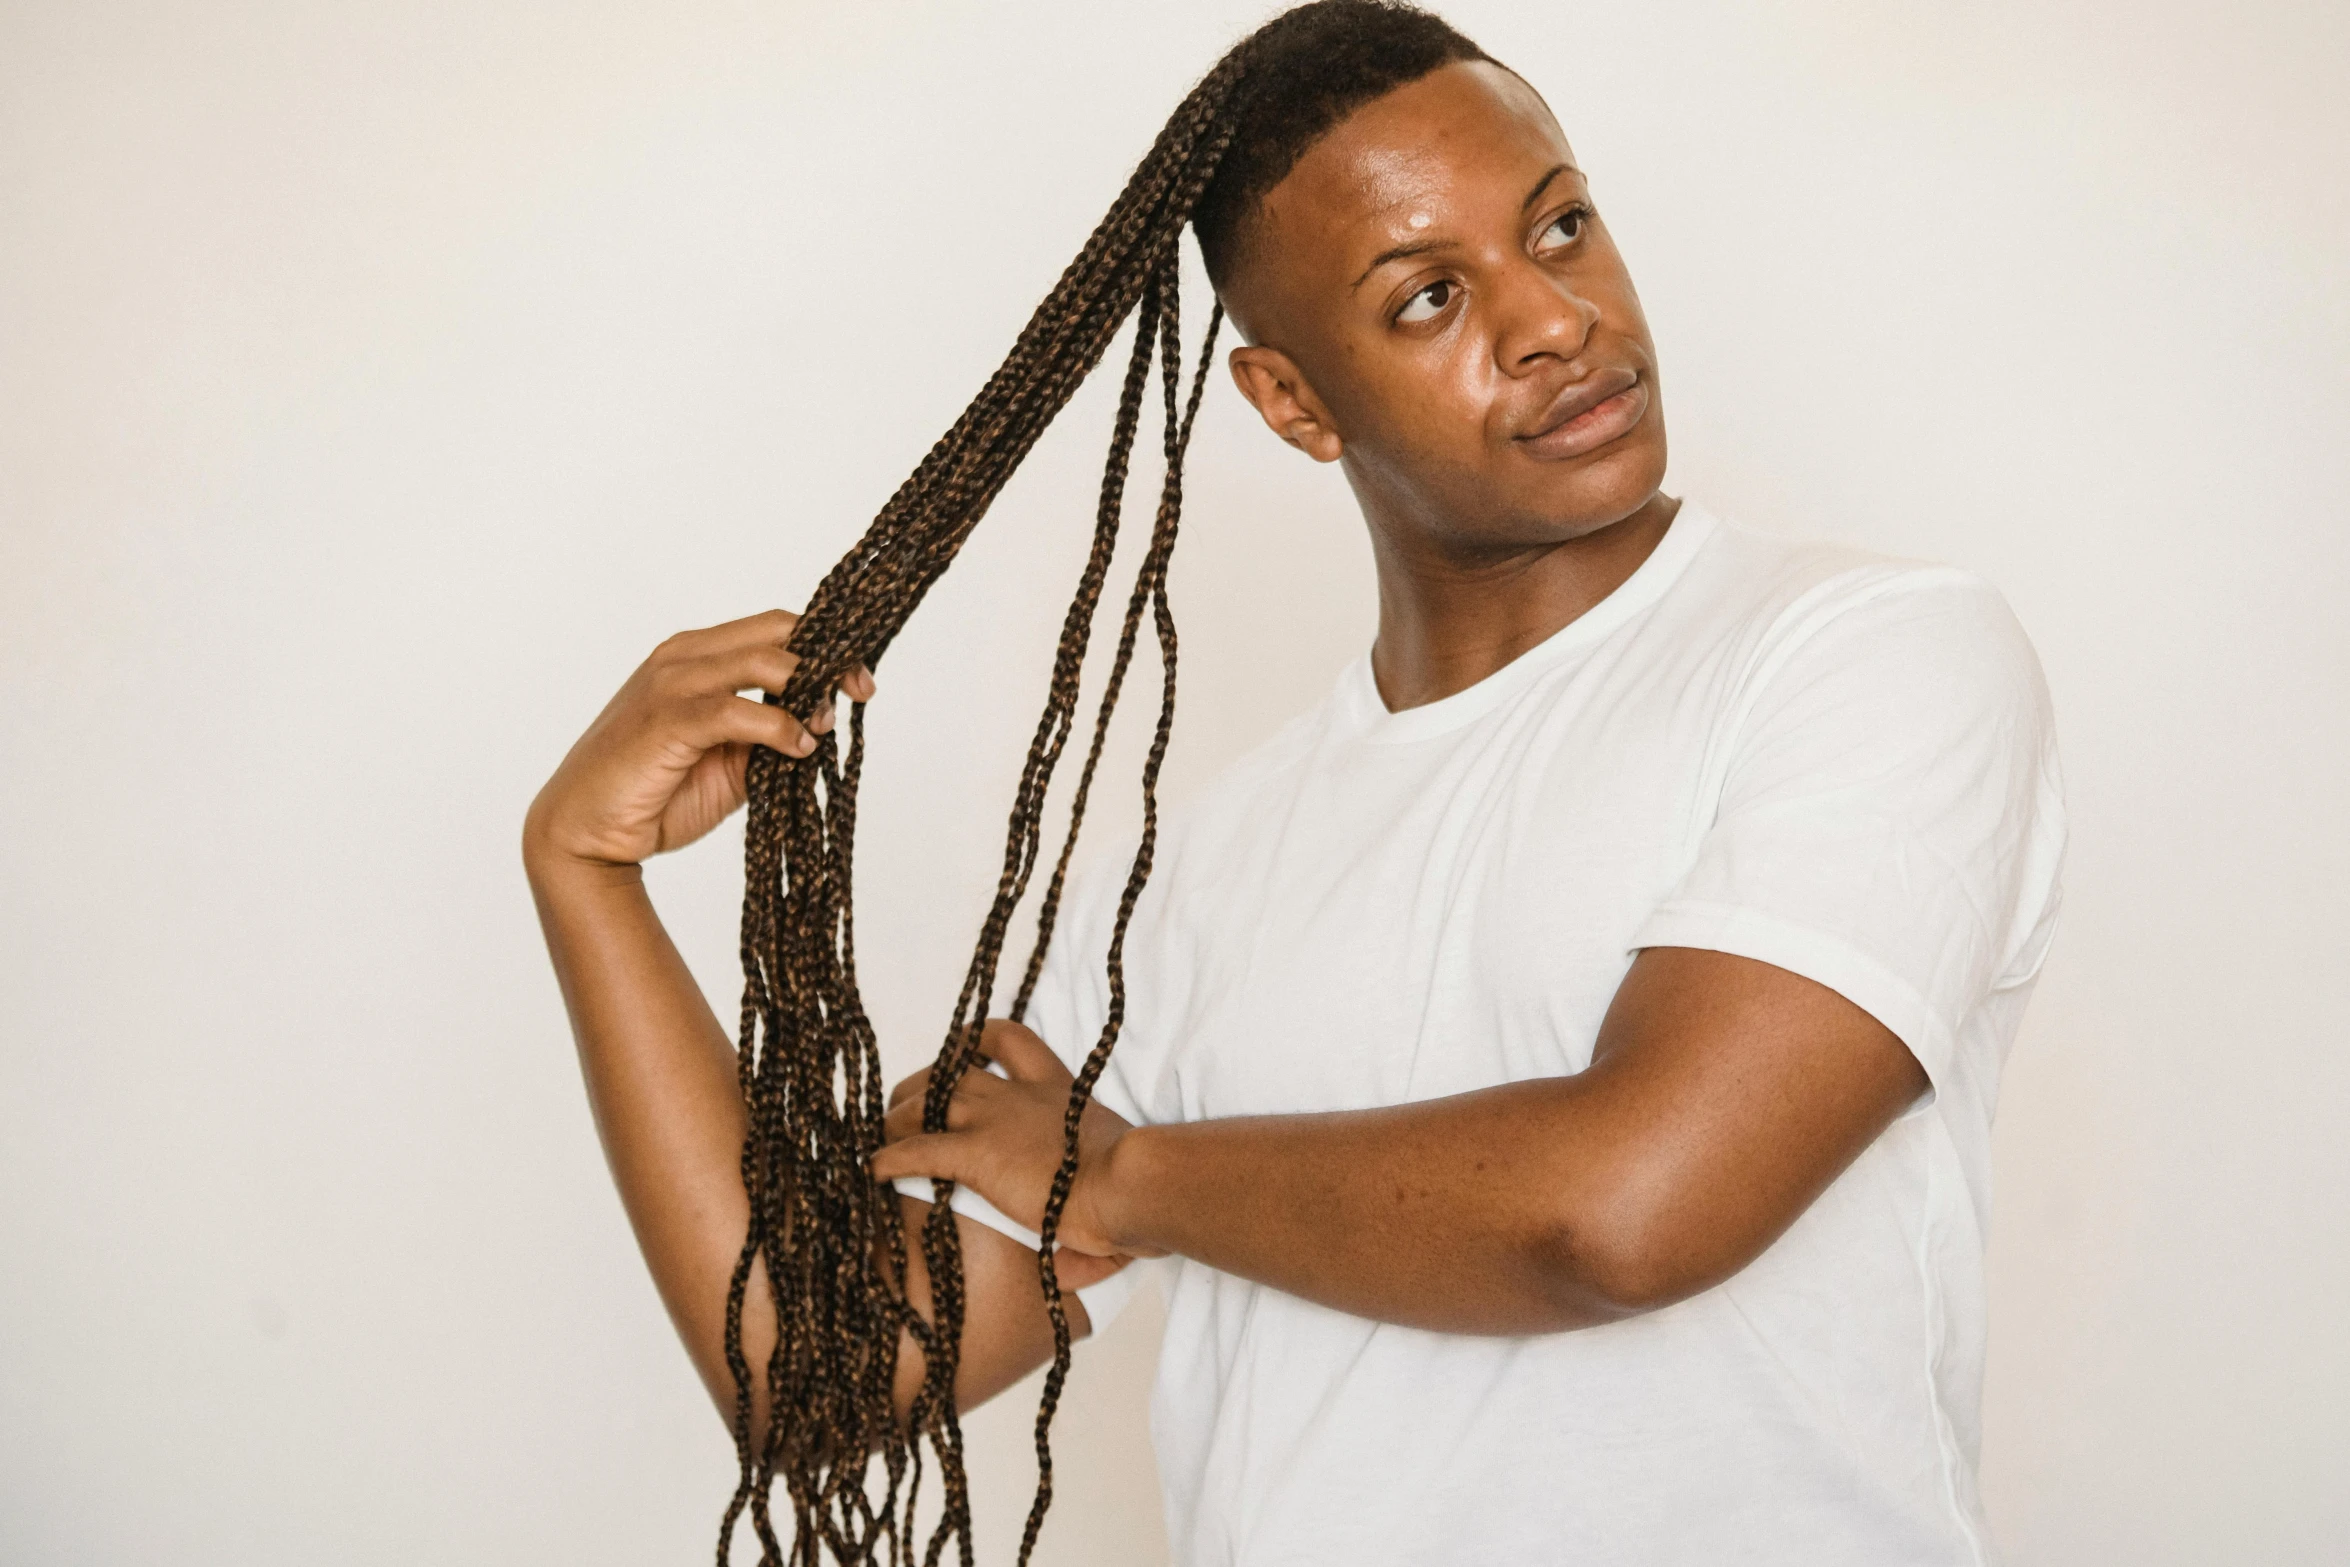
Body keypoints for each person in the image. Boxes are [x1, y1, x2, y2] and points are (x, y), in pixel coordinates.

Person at [525, 5, 2065, 1562]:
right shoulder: (1198, 877)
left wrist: (1128, 1179)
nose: (1553, 320)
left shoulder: (1865, 654)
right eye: (1430, 296)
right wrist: (585, 878)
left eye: (1562, 225)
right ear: (1290, 403)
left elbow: (1630, 1208)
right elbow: (817, 1381)